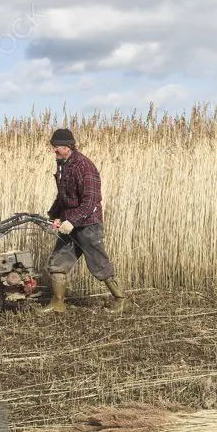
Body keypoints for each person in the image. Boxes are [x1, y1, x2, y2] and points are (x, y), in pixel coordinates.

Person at [42, 128, 130, 314]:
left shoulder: (84, 166)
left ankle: (121, 300)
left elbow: (91, 200)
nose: (54, 150)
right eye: (53, 146)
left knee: (99, 264)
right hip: (70, 225)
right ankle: (58, 303)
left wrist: (72, 220)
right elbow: (63, 196)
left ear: (68, 146)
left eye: (57, 146)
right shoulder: (63, 164)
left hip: (88, 225)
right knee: (57, 264)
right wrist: (55, 215)